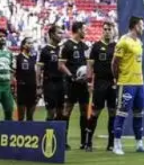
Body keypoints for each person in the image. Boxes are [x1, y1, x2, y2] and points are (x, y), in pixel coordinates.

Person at [112, 16, 144, 156]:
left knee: (139, 113)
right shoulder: (124, 41)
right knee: (122, 113)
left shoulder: (139, 41)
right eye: (142, 25)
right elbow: (114, 63)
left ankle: (139, 144)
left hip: (139, 83)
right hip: (126, 83)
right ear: (135, 26)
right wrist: (118, 79)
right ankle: (116, 144)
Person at [84, 21, 117, 151]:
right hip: (100, 82)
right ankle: (88, 142)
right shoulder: (96, 46)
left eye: (109, 29)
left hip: (113, 82)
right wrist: (88, 81)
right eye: (105, 29)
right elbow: (90, 65)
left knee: (112, 112)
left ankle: (111, 143)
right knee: (96, 111)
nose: (107, 31)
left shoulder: (117, 46)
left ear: (113, 30)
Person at [59, 21, 90, 150]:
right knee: (67, 110)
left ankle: (84, 142)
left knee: (84, 110)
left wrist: (87, 76)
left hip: (83, 84)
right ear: (78, 30)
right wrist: (71, 76)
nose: (86, 31)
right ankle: (62, 141)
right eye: (84, 29)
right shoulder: (67, 46)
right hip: (71, 83)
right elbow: (61, 65)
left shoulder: (85, 46)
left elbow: (89, 64)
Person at [36, 24, 65, 122]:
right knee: (51, 112)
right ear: (52, 34)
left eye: (62, 33)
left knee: (61, 112)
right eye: (59, 33)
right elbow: (39, 69)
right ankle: (48, 136)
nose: (61, 35)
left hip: (61, 83)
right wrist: (39, 86)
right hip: (50, 84)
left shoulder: (62, 49)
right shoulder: (45, 50)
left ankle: (58, 136)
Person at [14, 37, 37, 121]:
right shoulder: (18, 58)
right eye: (29, 43)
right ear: (24, 45)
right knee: (21, 117)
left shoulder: (33, 58)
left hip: (32, 90)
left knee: (30, 117)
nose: (31, 45)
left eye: (32, 43)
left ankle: (30, 133)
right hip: (22, 90)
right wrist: (15, 89)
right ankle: (19, 133)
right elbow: (14, 74)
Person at [0, 29, 14, 121]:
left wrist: (10, 82)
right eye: (0, 36)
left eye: (4, 36)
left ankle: (6, 132)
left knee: (9, 109)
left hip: (6, 85)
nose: (2, 38)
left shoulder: (9, 53)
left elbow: (12, 69)